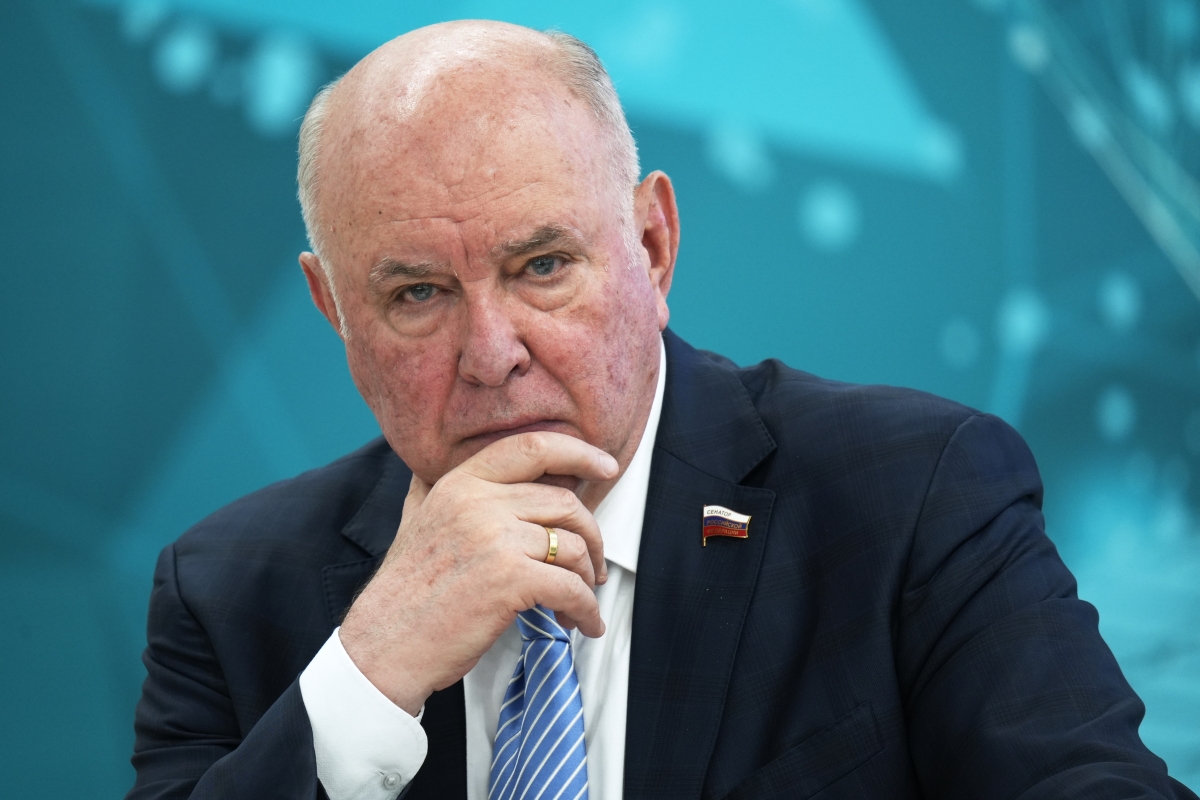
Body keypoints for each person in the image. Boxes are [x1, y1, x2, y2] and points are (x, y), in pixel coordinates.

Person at [126, 19, 1197, 800]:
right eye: (416, 294)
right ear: (333, 308)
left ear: (652, 244)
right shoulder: (227, 590)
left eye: (543, 266)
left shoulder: (913, 496)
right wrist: (367, 676)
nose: (492, 355)